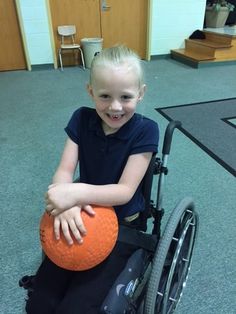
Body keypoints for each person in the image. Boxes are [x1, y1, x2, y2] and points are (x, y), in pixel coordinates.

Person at [25, 45, 159, 314]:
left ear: (141, 94)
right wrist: (66, 202)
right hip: (83, 211)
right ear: (91, 92)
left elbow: (124, 191)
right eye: (105, 96)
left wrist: (74, 194)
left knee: (76, 307)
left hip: (121, 222)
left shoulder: (146, 130)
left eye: (126, 96)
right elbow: (64, 170)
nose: (116, 106)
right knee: (40, 303)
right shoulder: (81, 118)